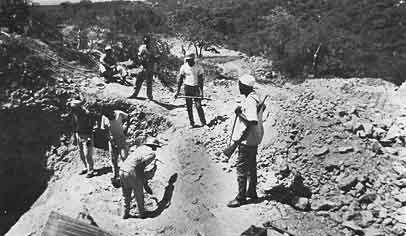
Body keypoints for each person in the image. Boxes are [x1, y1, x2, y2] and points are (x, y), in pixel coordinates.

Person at [227, 74, 265, 208]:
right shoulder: (254, 97)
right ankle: (252, 192)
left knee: (242, 168)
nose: (238, 87)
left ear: (245, 86)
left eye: (240, 85)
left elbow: (252, 120)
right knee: (251, 166)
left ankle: (241, 197)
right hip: (254, 138)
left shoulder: (250, 101)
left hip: (247, 139)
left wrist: (239, 114)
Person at [119, 137, 161, 219]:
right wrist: (144, 181)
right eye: (156, 147)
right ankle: (142, 214)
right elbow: (141, 166)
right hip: (132, 171)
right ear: (154, 146)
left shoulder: (140, 148)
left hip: (122, 169)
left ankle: (125, 213)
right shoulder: (152, 154)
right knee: (139, 195)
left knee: (126, 193)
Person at [174, 53, 207, 128]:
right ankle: (192, 123)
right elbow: (180, 80)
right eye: (187, 60)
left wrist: (201, 92)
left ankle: (204, 123)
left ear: (193, 59)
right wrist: (177, 92)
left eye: (190, 60)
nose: (189, 62)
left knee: (198, 106)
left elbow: (201, 80)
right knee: (189, 107)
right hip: (187, 88)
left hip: (196, 88)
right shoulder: (183, 67)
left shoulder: (198, 67)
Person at [101, 108, 130, 181]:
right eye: (107, 116)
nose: (109, 117)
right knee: (114, 160)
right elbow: (104, 130)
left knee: (124, 158)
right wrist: (110, 139)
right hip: (112, 141)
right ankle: (115, 176)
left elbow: (128, 117)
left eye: (109, 115)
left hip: (121, 139)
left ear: (112, 112)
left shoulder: (119, 113)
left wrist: (126, 127)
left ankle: (128, 176)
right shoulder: (104, 117)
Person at [70, 99, 96, 178]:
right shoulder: (75, 114)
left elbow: (92, 126)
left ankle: (90, 170)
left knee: (87, 154)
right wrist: (75, 136)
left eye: (74, 108)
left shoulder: (86, 114)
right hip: (79, 135)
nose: (73, 110)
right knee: (81, 153)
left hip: (87, 135)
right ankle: (85, 167)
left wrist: (89, 137)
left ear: (79, 107)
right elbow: (74, 125)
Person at [129, 35, 155, 100]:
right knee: (139, 81)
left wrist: (152, 59)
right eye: (145, 41)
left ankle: (149, 96)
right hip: (144, 66)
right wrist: (141, 60)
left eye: (147, 41)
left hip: (150, 67)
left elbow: (155, 57)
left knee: (149, 82)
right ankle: (135, 94)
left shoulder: (152, 48)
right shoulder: (142, 47)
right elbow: (139, 56)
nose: (146, 42)